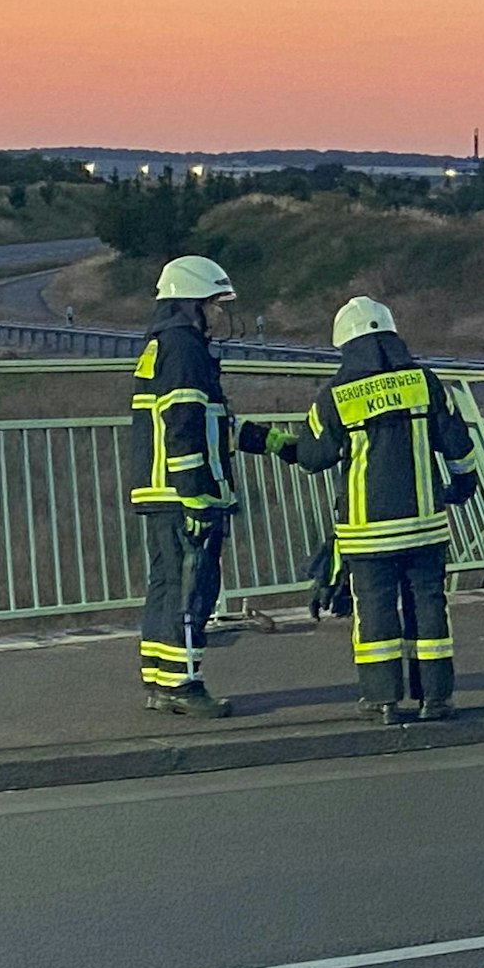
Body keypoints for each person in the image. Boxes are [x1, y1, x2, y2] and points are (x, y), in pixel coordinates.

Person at [279, 297, 479, 723]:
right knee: (429, 608)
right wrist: (462, 485)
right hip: (425, 527)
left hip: (367, 534)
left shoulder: (336, 397)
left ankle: (383, 699)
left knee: (374, 611)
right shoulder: (425, 382)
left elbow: (315, 456)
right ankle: (436, 699)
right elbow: (459, 445)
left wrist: (281, 445)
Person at [129, 256, 287, 717]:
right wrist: (196, 494)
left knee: (166, 585)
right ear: (192, 303)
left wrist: (273, 441)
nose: (221, 313)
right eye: (216, 303)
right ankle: (183, 684)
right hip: (183, 493)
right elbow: (183, 423)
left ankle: (161, 680)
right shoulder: (184, 348)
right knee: (191, 588)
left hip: (161, 492)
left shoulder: (167, 344)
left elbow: (212, 424)